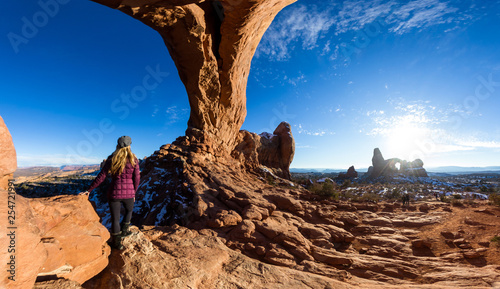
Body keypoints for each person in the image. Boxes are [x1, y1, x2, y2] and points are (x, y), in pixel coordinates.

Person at [80, 136, 140, 250]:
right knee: (129, 211)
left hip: (114, 193)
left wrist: (89, 190)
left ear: (118, 145)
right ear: (129, 146)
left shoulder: (112, 159)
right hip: (129, 193)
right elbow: (137, 178)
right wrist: (134, 193)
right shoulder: (134, 160)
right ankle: (125, 230)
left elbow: (101, 176)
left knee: (115, 219)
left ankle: (117, 243)